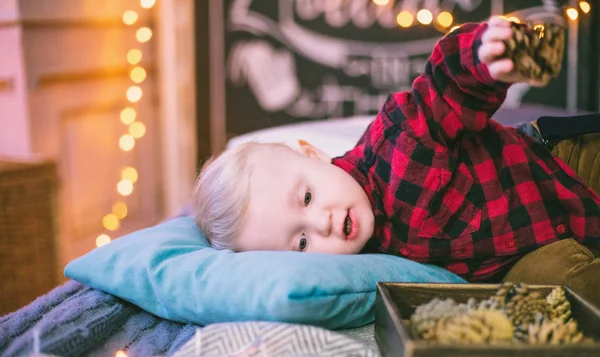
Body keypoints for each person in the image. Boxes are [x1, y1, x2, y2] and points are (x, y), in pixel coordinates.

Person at [193, 17, 600, 295]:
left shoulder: (397, 144)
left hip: (556, 167)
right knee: (566, 292)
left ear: (312, 153)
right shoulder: (368, 273)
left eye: (307, 197)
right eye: (300, 243)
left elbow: (442, 93)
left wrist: (479, 57)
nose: (322, 223)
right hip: (525, 255)